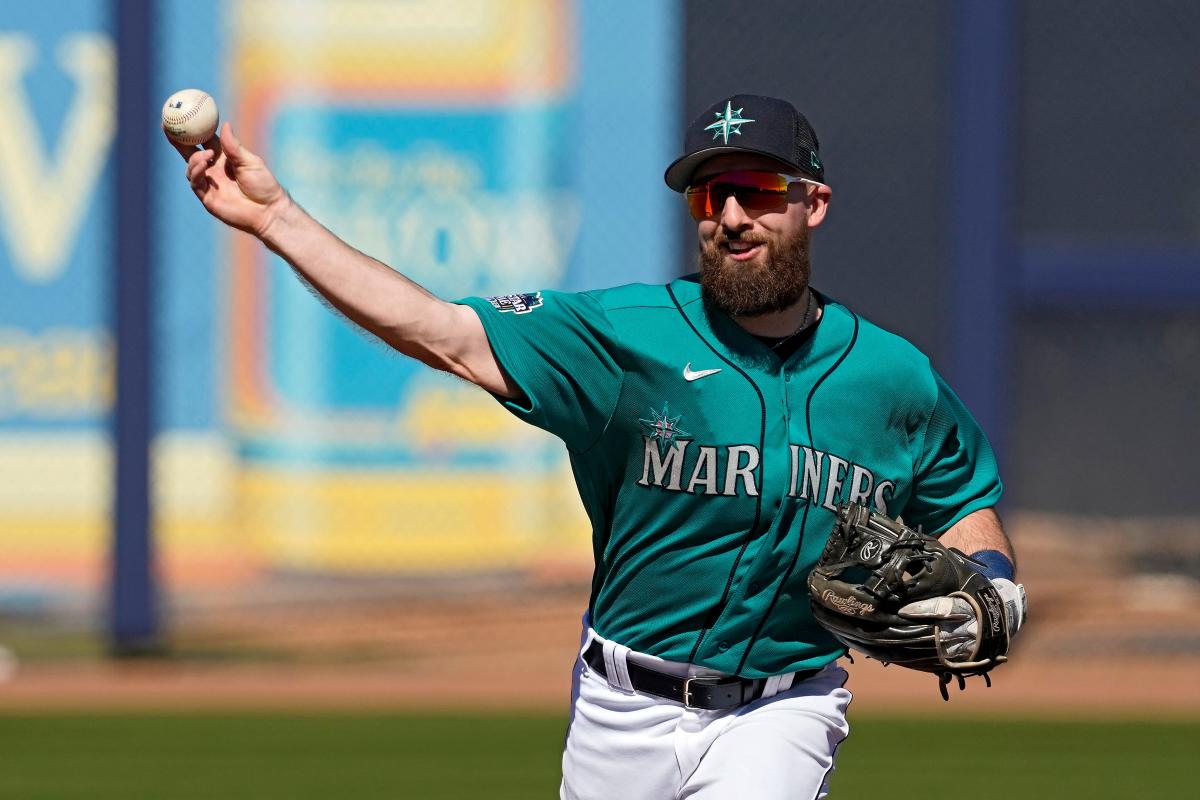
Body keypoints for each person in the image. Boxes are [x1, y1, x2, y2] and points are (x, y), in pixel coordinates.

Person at [172, 93, 1023, 799]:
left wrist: (994, 586)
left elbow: (959, 497)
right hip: (622, 710)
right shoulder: (625, 336)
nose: (730, 216)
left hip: (784, 708)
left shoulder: (891, 377)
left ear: (814, 204)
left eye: (758, 189)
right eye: (708, 195)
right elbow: (439, 331)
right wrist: (275, 218)